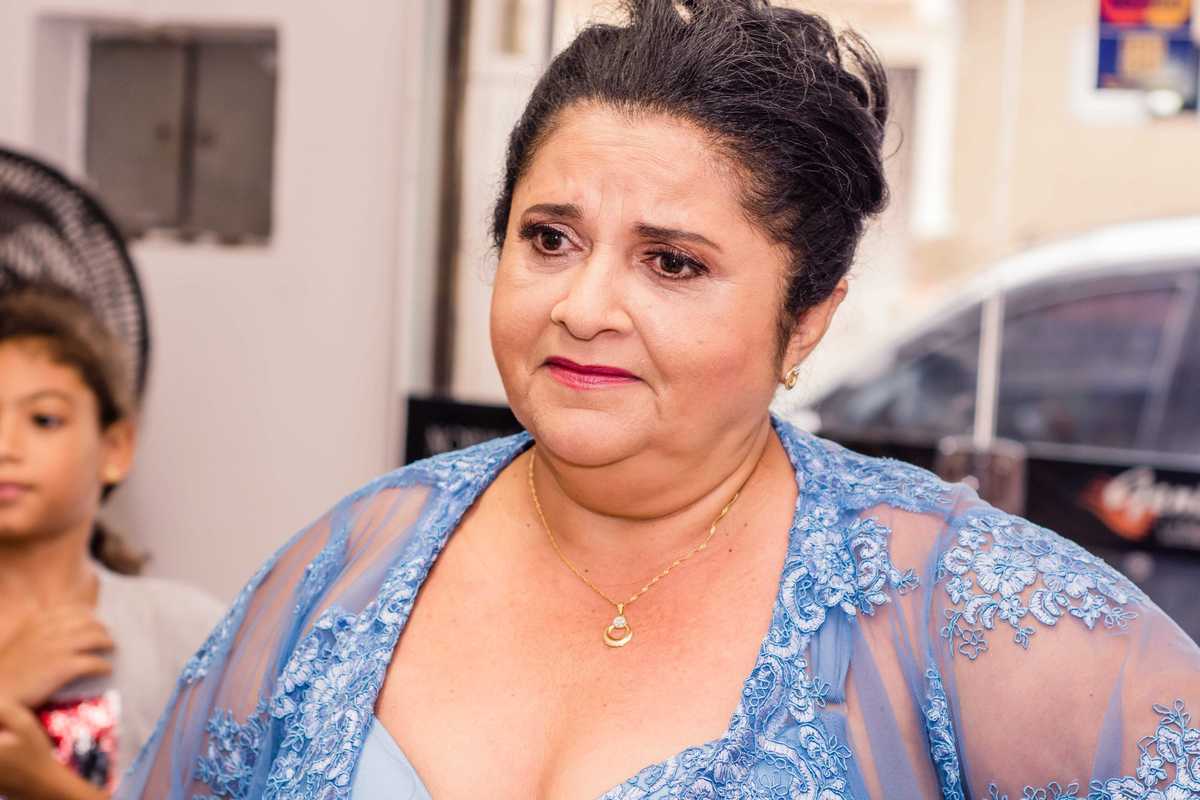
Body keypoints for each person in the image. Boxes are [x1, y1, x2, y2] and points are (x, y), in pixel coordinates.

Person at [119, 1, 1200, 798]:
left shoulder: (951, 608)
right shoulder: (348, 564)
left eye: (672, 262)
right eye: (550, 239)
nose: (584, 306)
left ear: (806, 318)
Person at [0, 287, 224, 799]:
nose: (5, 446)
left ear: (115, 448)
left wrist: (49, 785)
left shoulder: (184, 633)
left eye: (43, 419)